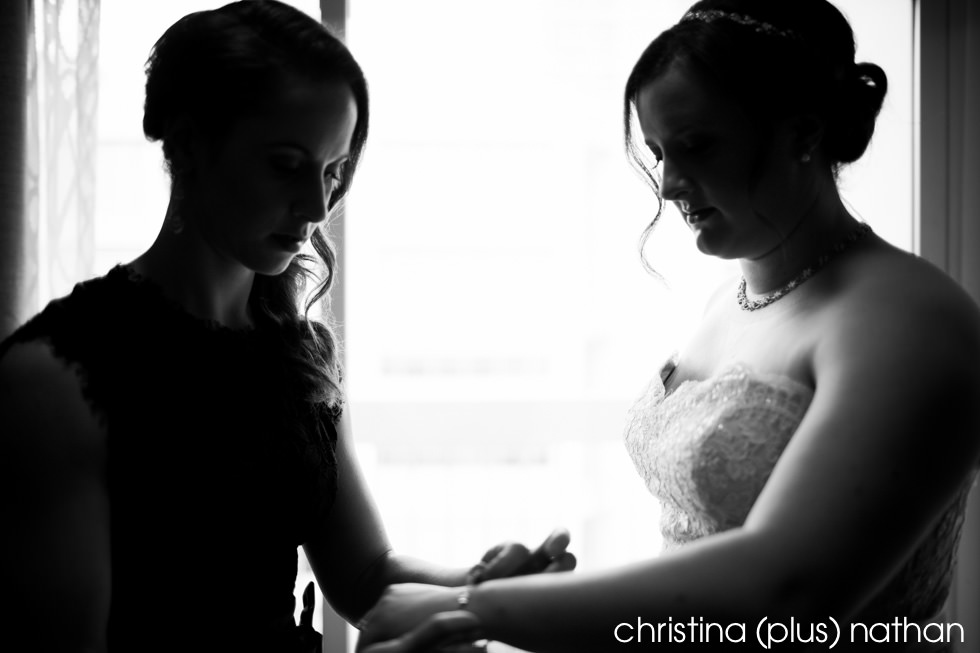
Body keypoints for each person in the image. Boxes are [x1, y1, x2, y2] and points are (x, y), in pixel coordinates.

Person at [354, 1, 980, 651]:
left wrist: (479, 607)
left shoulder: (909, 320)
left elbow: (787, 588)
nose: (671, 185)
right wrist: (541, 594)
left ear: (803, 132)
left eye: (697, 145)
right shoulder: (731, 299)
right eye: (658, 153)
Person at [0, 2, 573, 651]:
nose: (318, 206)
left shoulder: (296, 354)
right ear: (187, 145)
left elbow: (366, 576)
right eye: (286, 164)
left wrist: (484, 584)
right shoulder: (57, 375)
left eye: (333, 172)